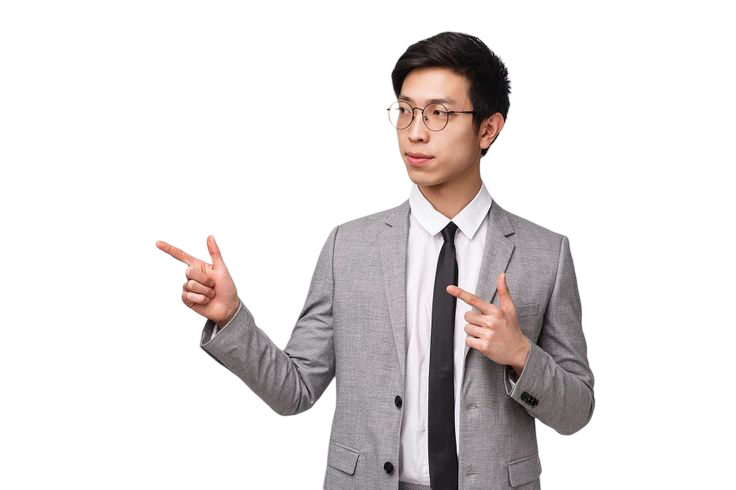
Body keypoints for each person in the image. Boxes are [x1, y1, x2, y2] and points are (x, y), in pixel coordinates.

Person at [154, 31, 594, 490]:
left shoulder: (547, 253)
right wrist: (231, 317)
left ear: (488, 129)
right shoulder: (348, 245)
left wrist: (521, 355)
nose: (415, 132)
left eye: (439, 113)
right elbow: (294, 392)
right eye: (404, 111)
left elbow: (577, 413)